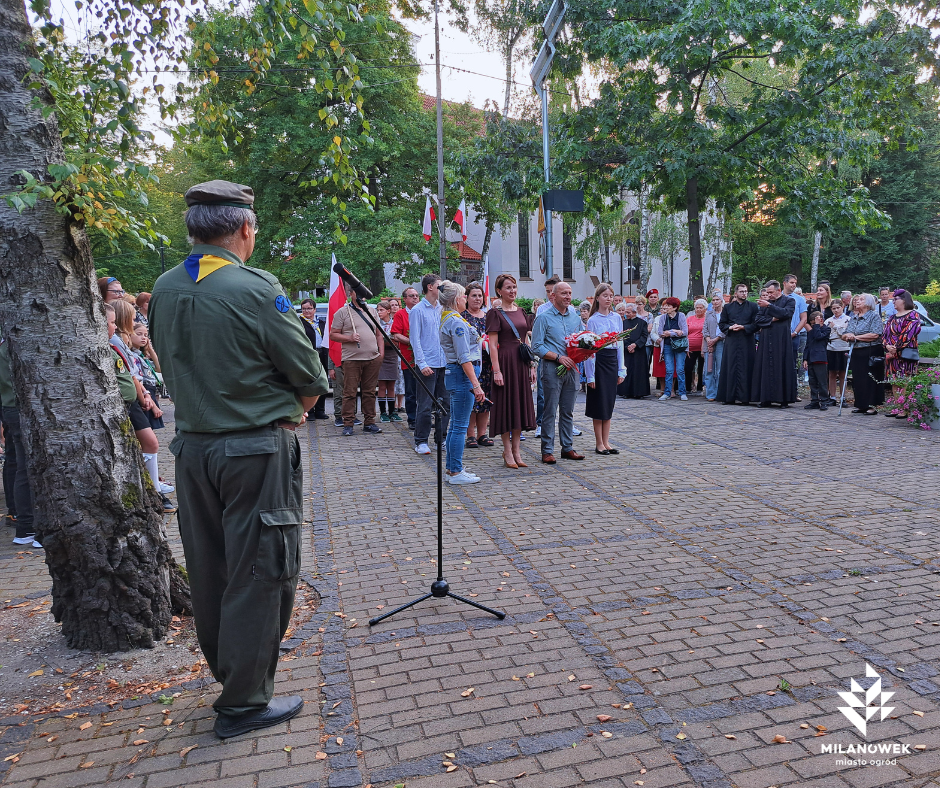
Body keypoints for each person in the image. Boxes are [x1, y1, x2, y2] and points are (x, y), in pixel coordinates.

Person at [149, 179, 327, 739]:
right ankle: (245, 701)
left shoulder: (164, 286)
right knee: (261, 569)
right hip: (253, 449)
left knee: (211, 570)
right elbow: (310, 376)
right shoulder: (254, 287)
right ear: (245, 227)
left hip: (193, 448)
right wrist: (294, 413)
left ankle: (231, 676)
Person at [111, 300, 176, 512]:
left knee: (148, 444)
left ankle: (152, 487)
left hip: (138, 399)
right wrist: (143, 395)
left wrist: (146, 394)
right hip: (131, 402)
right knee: (150, 443)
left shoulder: (123, 342)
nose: (135, 320)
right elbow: (130, 375)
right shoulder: (115, 341)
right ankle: (153, 491)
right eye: (131, 317)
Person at [531, 282, 584, 463]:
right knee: (550, 410)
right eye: (564, 293)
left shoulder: (576, 318)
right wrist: (558, 357)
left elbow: (582, 341)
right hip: (552, 368)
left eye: (569, 293)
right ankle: (547, 450)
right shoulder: (543, 318)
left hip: (572, 369)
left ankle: (567, 448)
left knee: (568, 411)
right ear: (553, 296)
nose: (568, 297)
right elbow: (536, 346)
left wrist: (586, 352)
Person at [439, 281, 486, 484]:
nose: (466, 299)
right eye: (464, 295)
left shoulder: (450, 317)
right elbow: (463, 356)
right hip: (462, 374)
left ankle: (452, 468)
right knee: (460, 425)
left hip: (457, 373)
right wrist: (476, 384)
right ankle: (456, 471)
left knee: (455, 426)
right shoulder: (456, 322)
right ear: (456, 299)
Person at [486, 274, 536, 468]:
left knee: (519, 406)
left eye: (514, 287)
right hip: (504, 362)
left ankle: (517, 451)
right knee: (506, 406)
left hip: (521, 363)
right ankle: (507, 451)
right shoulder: (495, 313)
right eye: (508, 288)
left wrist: (531, 365)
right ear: (499, 291)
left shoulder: (522, 311)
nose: (512, 291)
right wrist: (496, 371)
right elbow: (492, 345)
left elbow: (525, 341)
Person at [0, 338, 41, 548]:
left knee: (20, 466)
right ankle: (32, 527)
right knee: (29, 469)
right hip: (21, 407)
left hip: (10, 407)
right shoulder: (14, 341)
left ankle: (26, 526)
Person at [330, 284, 384, 436]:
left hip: (372, 357)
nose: (361, 296)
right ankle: (348, 423)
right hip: (352, 359)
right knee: (349, 392)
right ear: (351, 294)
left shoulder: (372, 311)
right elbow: (333, 335)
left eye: (363, 293)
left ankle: (370, 422)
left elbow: (379, 334)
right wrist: (349, 338)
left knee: (370, 392)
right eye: (358, 293)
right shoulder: (342, 312)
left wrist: (381, 353)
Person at [584, 284, 625, 454]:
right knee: (598, 403)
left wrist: (621, 369)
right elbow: (589, 349)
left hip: (612, 361)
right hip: (598, 361)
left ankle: (607, 442)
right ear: (598, 298)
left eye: (611, 296)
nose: (608, 299)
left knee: (608, 403)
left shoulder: (616, 318)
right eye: (605, 295)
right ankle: (599, 442)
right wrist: (590, 376)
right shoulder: (593, 320)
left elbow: (621, 343)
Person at [410, 274, 448, 455]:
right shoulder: (418, 310)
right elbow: (415, 339)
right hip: (428, 364)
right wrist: (422, 363)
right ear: (430, 287)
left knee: (445, 403)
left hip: (444, 363)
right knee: (425, 404)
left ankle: (441, 438)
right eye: (439, 286)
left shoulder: (443, 308)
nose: (441, 289)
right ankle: (421, 441)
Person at [751, 280, 797, 408]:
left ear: (778, 290)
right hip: (766, 339)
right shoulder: (765, 304)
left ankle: (783, 399)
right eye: (767, 293)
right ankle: (765, 398)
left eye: (771, 292)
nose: (769, 295)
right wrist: (772, 319)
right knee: (765, 367)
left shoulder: (789, 301)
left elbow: (786, 314)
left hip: (781, 339)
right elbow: (758, 320)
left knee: (782, 367)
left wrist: (770, 307)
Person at [461, 282, 493, 447]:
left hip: (487, 363)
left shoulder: (489, 316)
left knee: (485, 399)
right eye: (474, 295)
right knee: (473, 399)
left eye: (480, 295)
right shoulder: (462, 316)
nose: (477, 298)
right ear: (466, 297)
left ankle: (482, 434)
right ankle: (470, 434)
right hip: (470, 363)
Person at [843, 293, 885, 415]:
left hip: (871, 350)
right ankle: (861, 404)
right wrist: (848, 336)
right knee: (859, 378)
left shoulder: (874, 316)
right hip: (856, 351)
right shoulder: (854, 317)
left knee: (871, 379)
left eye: (861, 299)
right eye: (857, 299)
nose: (857, 301)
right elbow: (846, 333)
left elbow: (875, 334)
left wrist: (856, 337)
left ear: (868, 303)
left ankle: (872, 405)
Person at [718, 284, 758, 404]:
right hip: (732, 341)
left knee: (746, 367)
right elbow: (722, 324)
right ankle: (729, 397)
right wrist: (730, 327)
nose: (744, 294)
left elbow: (756, 324)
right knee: (730, 367)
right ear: (736, 293)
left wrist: (744, 327)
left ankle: (746, 397)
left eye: (745, 291)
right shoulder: (728, 307)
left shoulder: (753, 307)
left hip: (747, 340)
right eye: (741, 291)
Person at [883, 289, 921, 417]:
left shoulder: (913, 315)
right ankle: (897, 408)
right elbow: (885, 334)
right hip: (892, 356)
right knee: (894, 382)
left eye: (895, 300)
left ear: (904, 300)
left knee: (904, 382)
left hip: (906, 354)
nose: (893, 302)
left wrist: (896, 348)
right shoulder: (892, 317)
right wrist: (887, 346)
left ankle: (905, 409)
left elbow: (909, 333)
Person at [534, 275, 562, 437]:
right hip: (547, 356)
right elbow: (539, 337)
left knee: (564, 395)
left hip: (565, 357)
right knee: (543, 393)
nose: (550, 294)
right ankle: (541, 423)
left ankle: (565, 424)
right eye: (547, 291)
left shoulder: (570, 310)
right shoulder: (542, 310)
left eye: (553, 291)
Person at [390, 287, 420, 429]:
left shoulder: (422, 311)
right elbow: (396, 334)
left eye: (416, 295)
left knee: (425, 391)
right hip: (409, 359)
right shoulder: (401, 314)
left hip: (426, 359)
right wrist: (412, 342)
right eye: (412, 296)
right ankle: (412, 419)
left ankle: (424, 417)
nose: (415, 298)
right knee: (411, 392)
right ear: (405, 299)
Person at [653, 297, 688, 402]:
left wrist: (670, 332)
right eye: (665, 305)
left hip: (680, 346)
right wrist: (676, 332)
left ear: (674, 307)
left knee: (680, 369)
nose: (666, 307)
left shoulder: (681, 316)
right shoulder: (663, 317)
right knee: (669, 370)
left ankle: (682, 392)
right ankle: (667, 392)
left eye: (668, 306)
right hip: (668, 346)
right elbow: (660, 332)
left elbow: (685, 332)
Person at [299, 299, 328, 420]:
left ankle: (320, 410)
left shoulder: (321, 323)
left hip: (322, 354)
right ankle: (309, 411)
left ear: (314, 310)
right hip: (308, 356)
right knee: (309, 382)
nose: (306, 311)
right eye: (304, 309)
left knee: (321, 381)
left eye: (309, 308)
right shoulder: (299, 323)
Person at [375, 301, 401, 423]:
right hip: (380, 356)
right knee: (382, 385)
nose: (379, 312)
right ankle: (383, 412)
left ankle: (392, 412)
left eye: (381, 310)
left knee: (391, 385)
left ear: (388, 311)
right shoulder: (375, 323)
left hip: (392, 356)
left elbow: (397, 338)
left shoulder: (394, 322)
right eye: (378, 310)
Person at [617, 302, 650, 399]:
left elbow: (644, 336)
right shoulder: (623, 323)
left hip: (638, 351)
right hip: (627, 351)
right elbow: (620, 336)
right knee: (628, 370)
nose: (626, 314)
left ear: (634, 312)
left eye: (628, 312)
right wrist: (628, 346)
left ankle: (638, 392)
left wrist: (635, 345)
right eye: (626, 312)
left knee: (638, 371)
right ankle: (626, 392)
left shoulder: (642, 323)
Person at [802, 312, 831, 410]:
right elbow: (807, 345)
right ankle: (814, 400)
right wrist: (805, 359)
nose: (813, 326)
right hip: (811, 359)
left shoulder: (826, 329)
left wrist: (817, 325)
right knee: (812, 382)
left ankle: (824, 401)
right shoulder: (811, 331)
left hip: (820, 358)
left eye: (815, 323)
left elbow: (819, 337)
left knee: (822, 382)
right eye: (813, 324)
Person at [825, 300, 851, 406]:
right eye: (833, 308)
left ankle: (843, 397)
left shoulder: (848, 319)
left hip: (844, 348)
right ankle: (832, 397)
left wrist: (836, 328)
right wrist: (836, 331)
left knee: (842, 373)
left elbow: (845, 333)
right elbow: (828, 334)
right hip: (831, 348)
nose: (836, 310)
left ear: (842, 307)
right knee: (831, 373)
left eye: (838, 308)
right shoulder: (828, 320)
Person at [782, 274, 808, 384]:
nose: (794, 285)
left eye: (795, 283)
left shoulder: (800, 299)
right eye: (792, 282)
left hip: (795, 336)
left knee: (794, 362)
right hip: (780, 335)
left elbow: (804, 318)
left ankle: (794, 390)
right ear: (784, 283)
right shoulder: (779, 298)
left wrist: (795, 332)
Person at [703, 294, 725, 401]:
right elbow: (705, 329)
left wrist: (716, 339)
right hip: (709, 343)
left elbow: (726, 329)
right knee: (709, 369)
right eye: (713, 300)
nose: (715, 302)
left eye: (717, 300)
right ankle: (710, 393)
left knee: (720, 369)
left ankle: (719, 392)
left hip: (721, 342)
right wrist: (709, 341)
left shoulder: (726, 313)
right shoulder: (708, 314)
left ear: (721, 301)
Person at [685, 299, 707, 395]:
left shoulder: (706, 319)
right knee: (688, 368)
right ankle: (688, 388)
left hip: (703, 348)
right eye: (697, 308)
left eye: (700, 308)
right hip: (690, 348)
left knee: (701, 369)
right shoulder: (689, 319)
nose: (698, 309)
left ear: (705, 309)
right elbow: (685, 333)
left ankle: (699, 388)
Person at [388, 298, 406, 413]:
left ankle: (400, 404)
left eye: (396, 305)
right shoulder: (388, 321)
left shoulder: (403, 317)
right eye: (392, 305)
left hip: (402, 352)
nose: (394, 307)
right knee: (394, 379)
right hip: (391, 353)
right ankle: (393, 404)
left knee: (402, 379)